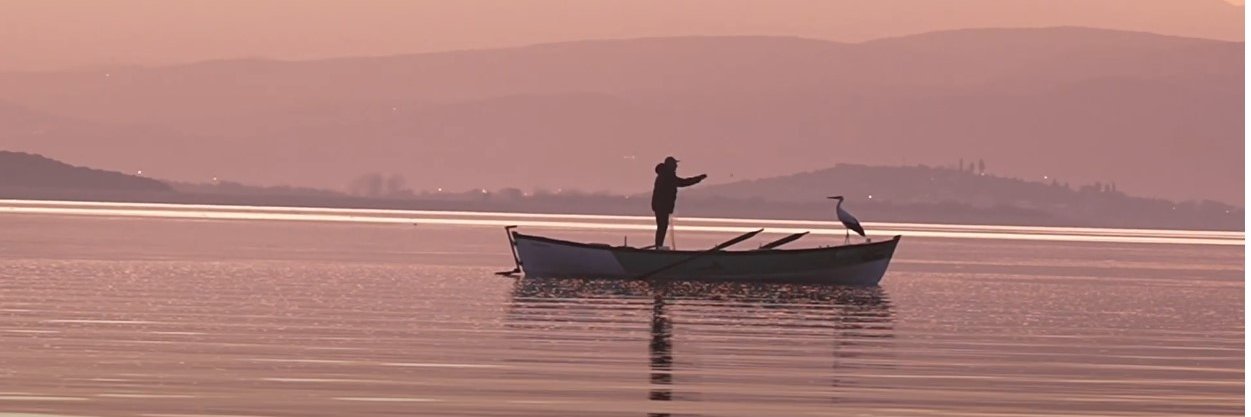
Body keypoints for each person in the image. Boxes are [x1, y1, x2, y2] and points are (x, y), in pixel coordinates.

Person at [651, 156, 707, 249]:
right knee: (662, 227)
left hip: (660, 207)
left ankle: (658, 246)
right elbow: (683, 182)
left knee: (662, 226)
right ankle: (658, 247)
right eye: (675, 164)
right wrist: (698, 179)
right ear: (670, 165)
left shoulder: (665, 175)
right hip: (661, 207)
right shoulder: (667, 176)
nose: (676, 166)